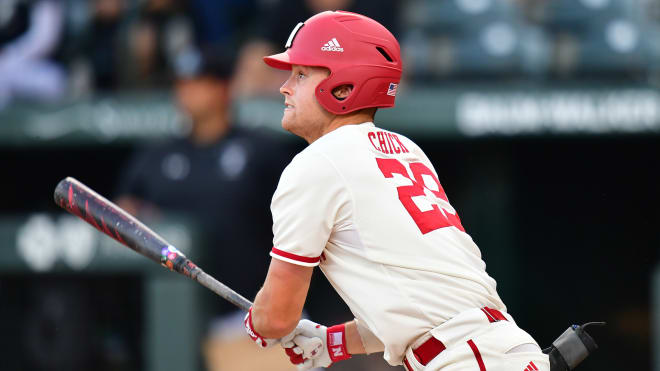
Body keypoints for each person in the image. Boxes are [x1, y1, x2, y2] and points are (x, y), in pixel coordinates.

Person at [241, 10, 600, 371]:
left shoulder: (316, 164)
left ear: (343, 88)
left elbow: (276, 318)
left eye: (301, 74)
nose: (284, 87)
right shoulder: (407, 150)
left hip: (466, 359)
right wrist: (334, 342)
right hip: (502, 349)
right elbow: (421, 307)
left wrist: (258, 323)